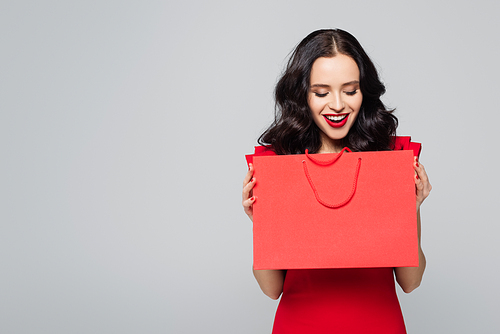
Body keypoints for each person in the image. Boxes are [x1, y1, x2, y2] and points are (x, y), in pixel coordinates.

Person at [241, 29, 432, 333]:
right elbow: (271, 289)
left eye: (350, 90)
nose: (338, 104)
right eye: (321, 92)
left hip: (377, 323)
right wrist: (260, 222)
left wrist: (412, 207)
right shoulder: (278, 164)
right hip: (300, 324)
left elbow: (411, 281)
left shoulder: (390, 159)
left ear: (363, 91)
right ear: (302, 95)